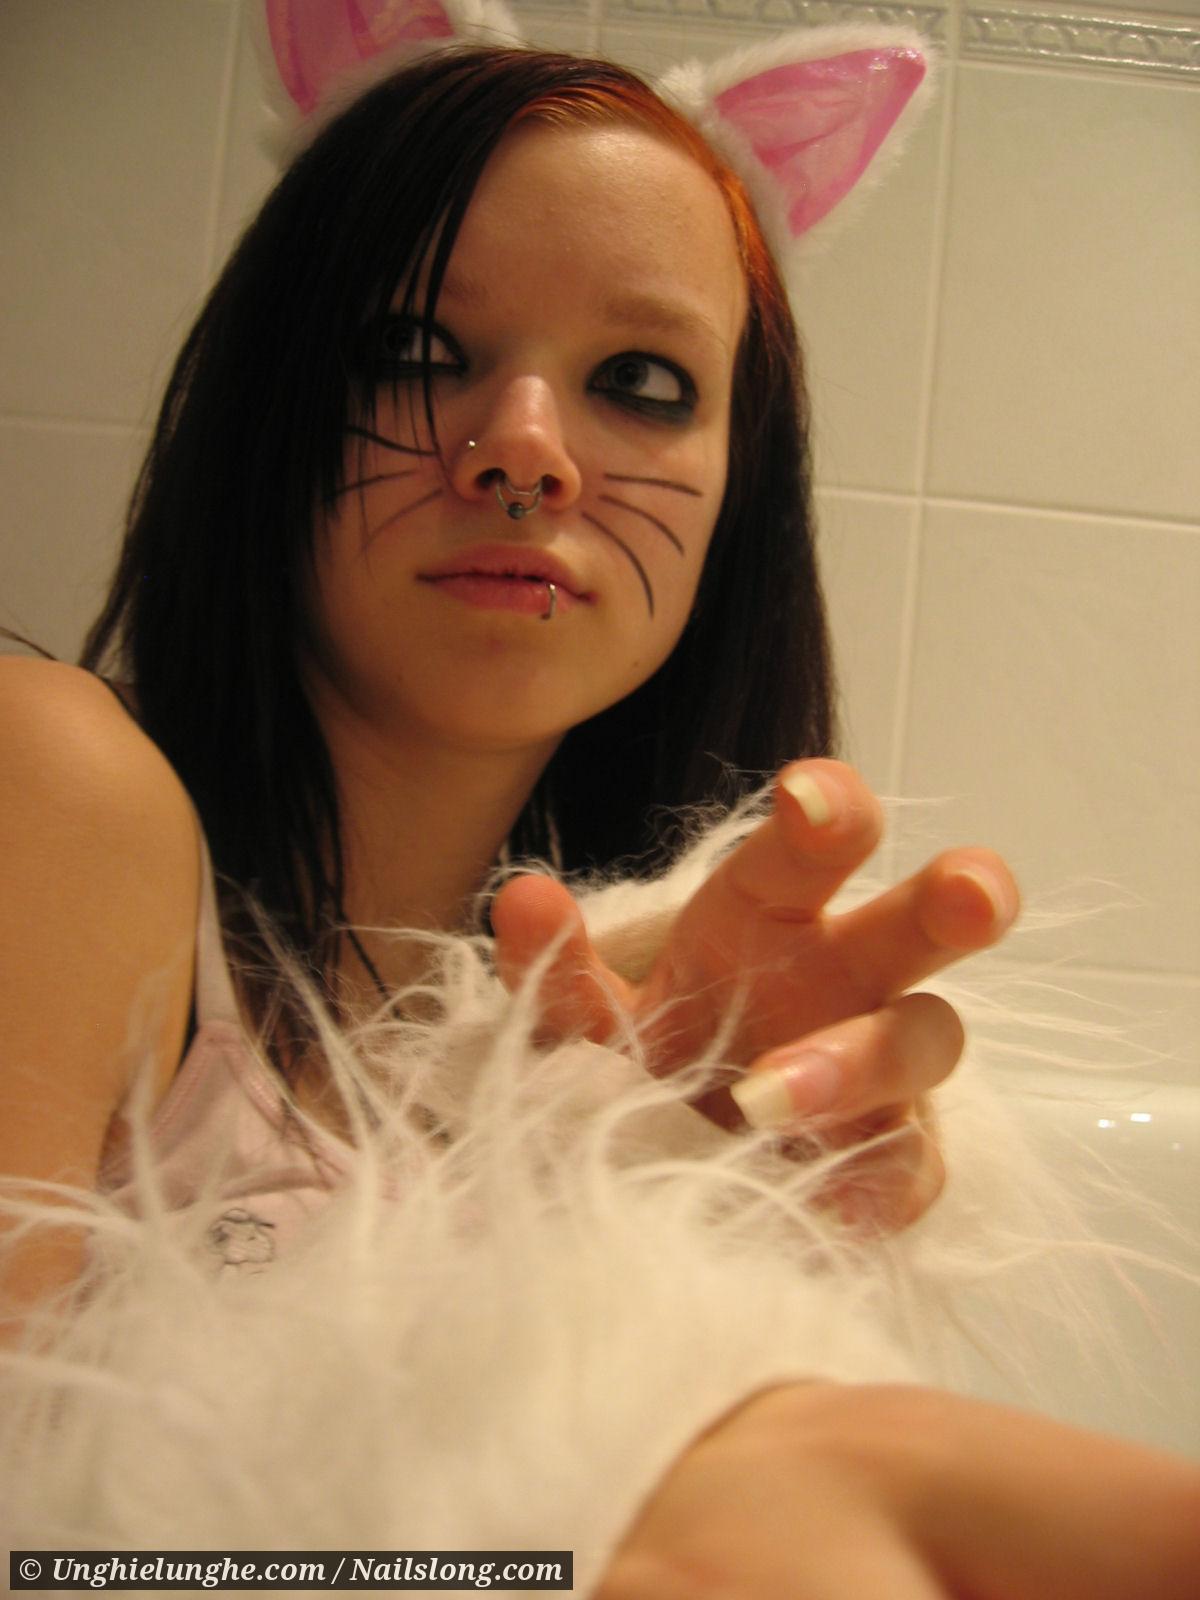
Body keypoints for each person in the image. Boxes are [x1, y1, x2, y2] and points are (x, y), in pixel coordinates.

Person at [1, 21, 1196, 1598]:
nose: (526, 455)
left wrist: (679, 1213)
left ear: (738, 500)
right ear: (269, 403)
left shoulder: (611, 1047)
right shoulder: (49, 789)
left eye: (639, 381)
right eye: (412, 348)